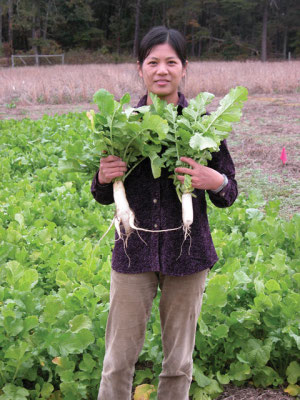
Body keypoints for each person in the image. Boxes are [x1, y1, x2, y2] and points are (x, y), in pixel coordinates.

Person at [91, 26, 237, 400]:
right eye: (152, 62)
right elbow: (102, 194)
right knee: (117, 360)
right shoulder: (122, 124)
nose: (162, 70)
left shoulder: (204, 125)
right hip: (132, 251)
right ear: (140, 68)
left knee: (178, 364)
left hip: (188, 255)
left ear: (184, 68)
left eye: (170, 62)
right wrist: (103, 178)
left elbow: (229, 194)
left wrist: (213, 178)